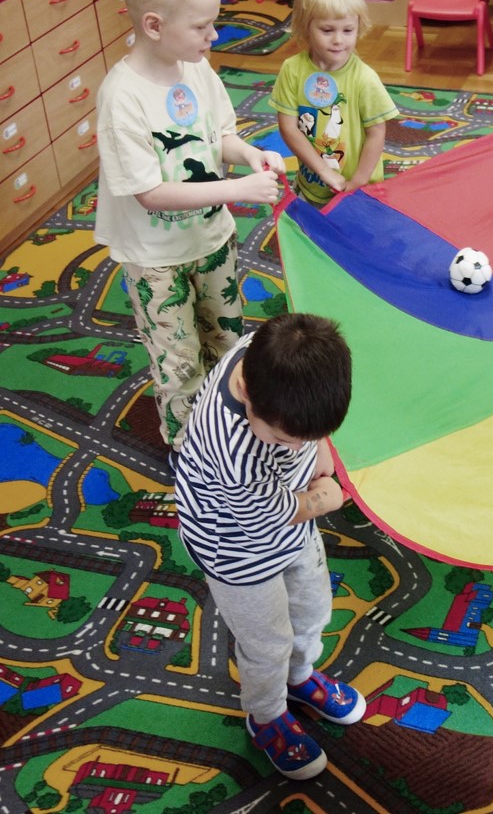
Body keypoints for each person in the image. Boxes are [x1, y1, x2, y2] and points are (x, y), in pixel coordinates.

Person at [95, 0, 285, 449]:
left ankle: (230, 431)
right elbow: (150, 194)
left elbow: (221, 136)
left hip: (211, 240)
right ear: (154, 26)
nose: (214, 36)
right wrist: (236, 190)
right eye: (202, 26)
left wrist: (250, 155)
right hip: (155, 258)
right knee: (178, 361)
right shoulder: (122, 97)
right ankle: (189, 450)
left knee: (227, 341)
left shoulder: (197, 70)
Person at [173, 312, 364, 780]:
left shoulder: (269, 355)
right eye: (283, 438)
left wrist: (318, 445)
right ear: (247, 394)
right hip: (235, 546)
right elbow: (266, 516)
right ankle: (266, 715)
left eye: (306, 437)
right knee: (267, 643)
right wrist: (326, 497)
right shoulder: (234, 447)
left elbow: (301, 441)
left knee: (312, 607)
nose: (296, 447)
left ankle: (299, 679)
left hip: (289, 521)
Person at [273, 0, 399, 206]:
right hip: (312, 184)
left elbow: (376, 133)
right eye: (327, 30)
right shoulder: (292, 70)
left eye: (348, 30)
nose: (339, 40)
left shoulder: (364, 78)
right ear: (305, 26)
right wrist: (322, 170)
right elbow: (288, 127)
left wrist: (358, 181)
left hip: (360, 191)